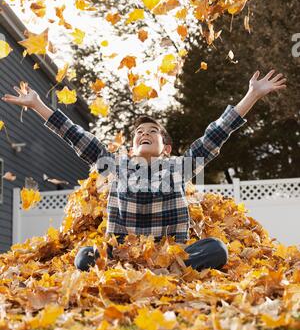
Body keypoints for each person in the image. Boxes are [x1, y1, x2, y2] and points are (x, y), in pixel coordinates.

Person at [2, 70, 286, 271]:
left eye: (153, 132)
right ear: (130, 148)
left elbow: (215, 134)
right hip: (122, 258)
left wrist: (252, 95)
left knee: (217, 249)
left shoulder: (178, 169)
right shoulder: (115, 167)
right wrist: (38, 104)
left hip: (170, 257)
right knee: (85, 257)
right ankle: (134, 272)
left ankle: (163, 272)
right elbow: (75, 135)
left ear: (166, 148)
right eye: (139, 132)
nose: (145, 134)